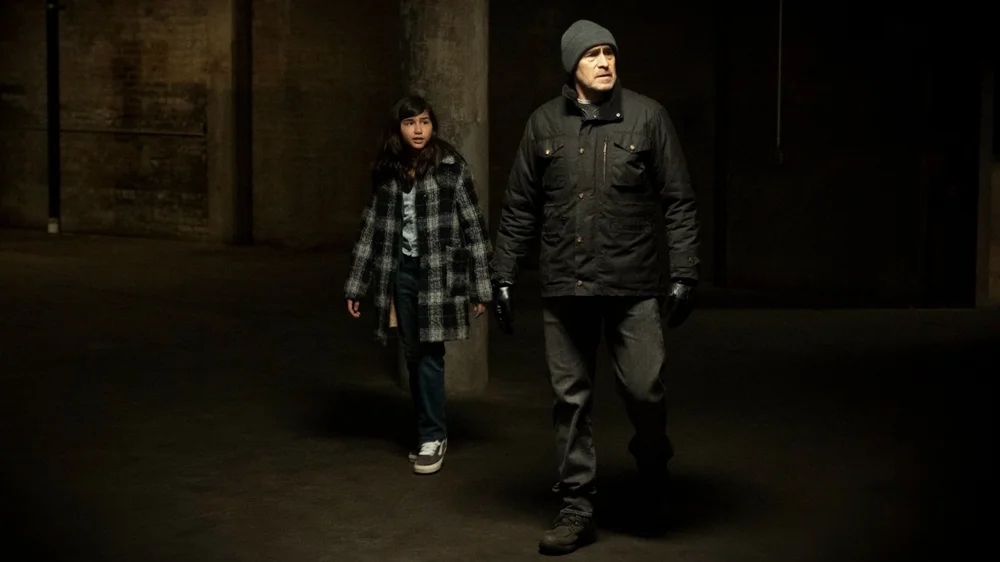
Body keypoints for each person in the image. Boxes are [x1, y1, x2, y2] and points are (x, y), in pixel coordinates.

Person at [491, 20, 700, 554]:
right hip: (566, 285)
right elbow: (519, 206)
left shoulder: (648, 117)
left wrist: (684, 272)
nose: (605, 62)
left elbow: (678, 200)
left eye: (610, 52)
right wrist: (502, 274)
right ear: (572, 66)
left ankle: (652, 467)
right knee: (571, 400)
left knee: (645, 388)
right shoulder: (543, 124)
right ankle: (576, 507)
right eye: (592, 55)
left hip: (632, 284)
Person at [344, 95, 494, 476]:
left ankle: (433, 436)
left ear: (433, 126)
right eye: (410, 123)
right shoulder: (387, 171)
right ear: (398, 128)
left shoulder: (450, 168)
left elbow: (474, 226)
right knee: (414, 354)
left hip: (438, 273)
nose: (418, 130)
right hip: (401, 272)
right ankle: (429, 431)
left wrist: (481, 285)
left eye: (424, 122)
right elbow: (371, 228)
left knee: (429, 354)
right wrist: (356, 284)